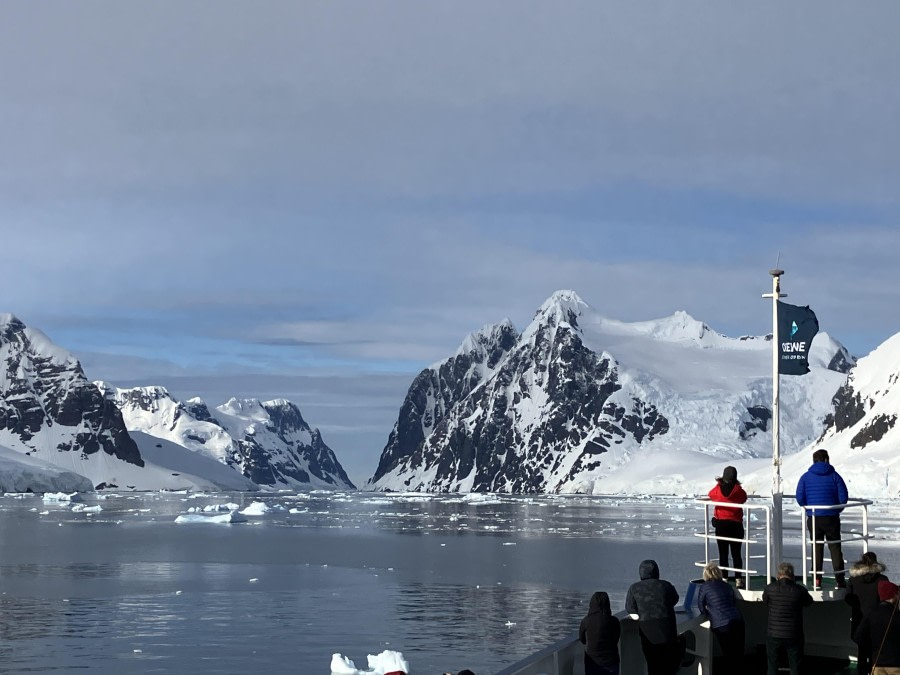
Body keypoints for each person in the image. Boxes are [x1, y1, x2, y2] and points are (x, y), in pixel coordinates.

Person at [795, 448, 849, 589]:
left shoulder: (806, 477)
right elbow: (843, 498)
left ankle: (816, 579)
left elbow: (800, 497)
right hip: (831, 517)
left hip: (814, 517)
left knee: (816, 547)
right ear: (826, 459)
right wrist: (836, 509)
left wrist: (809, 508)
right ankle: (840, 579)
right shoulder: (835, 476)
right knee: (835, 547)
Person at [625, 559, 681, 675]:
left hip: (647, 627)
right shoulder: (666, 585)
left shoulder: (634, 588)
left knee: (653, 662)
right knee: (669, 662)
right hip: (667, 624)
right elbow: (675, 599)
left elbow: (630, 609)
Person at [763, 561, 813, 675]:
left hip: (774, 633)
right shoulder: (799, 590)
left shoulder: (770, 588)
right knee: (795, 665)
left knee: (772, 665)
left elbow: (765, 600)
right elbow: (809, 602)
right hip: (793, 633)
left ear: (778, 575)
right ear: (792, 575)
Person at [846, 551, 889, 675]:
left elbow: (848, 598)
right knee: (875, 651)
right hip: (877, 620)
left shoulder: (854, 579)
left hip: (859, 618)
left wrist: (857, 606)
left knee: (862, 650)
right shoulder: (882, 579)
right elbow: (886, 598)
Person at [697, 562, 745, 673]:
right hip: (738, 621)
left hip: (722, 624)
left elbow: (701, 606)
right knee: (738, 653)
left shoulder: (704, 587)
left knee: (728, 654)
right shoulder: (727, 586)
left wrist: (710, 615)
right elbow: (732, 602)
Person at [708, 465, 748, 587]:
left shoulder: (718, 491)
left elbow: (711, 494)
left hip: (721, 525)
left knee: (723, 553)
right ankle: (738, 579)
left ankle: (724, 578)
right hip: (736, 525)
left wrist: (719, 484)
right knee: (736, 554)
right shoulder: (738, 491)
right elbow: (744, 497)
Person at [853, 580, 900, 674]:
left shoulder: (871, 614)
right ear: (894, 595)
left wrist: (872, 648)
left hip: (878, 663)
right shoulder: (897, 615)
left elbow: (857, 637)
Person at [579, 591, 621, 675]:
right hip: (611, 661)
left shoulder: (586, 621)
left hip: (592, 662)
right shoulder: (614, 621)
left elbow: (582, 639)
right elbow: (616, 638)